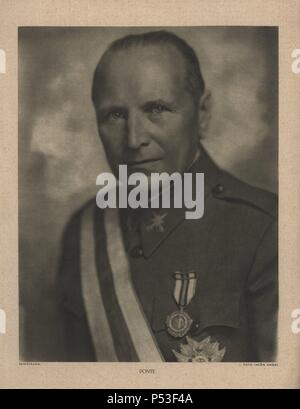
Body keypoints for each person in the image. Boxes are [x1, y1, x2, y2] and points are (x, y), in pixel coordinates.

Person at [58, 30, 278, 362]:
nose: (133, 139)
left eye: (156, 109)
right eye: (114, 115)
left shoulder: (267, 230)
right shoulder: (84, 234)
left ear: (202, 114)